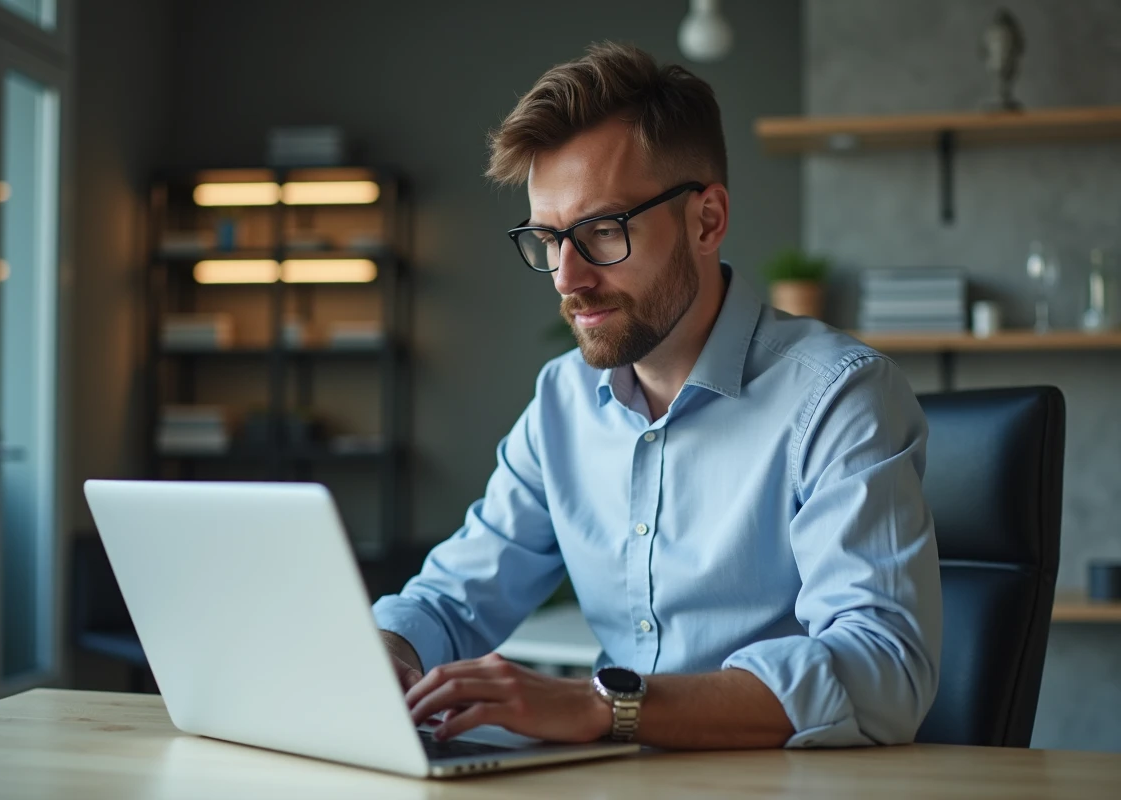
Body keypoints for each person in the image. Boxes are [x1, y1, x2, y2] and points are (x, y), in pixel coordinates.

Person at [372, 42, 941, 750]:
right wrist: (387, 654)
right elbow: (452, 598)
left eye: (602, 230)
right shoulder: (562, 403)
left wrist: (607, 706)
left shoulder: (840, 397)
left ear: (706, 220)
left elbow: (884, 671)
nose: (566, 277)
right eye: (549, 239)